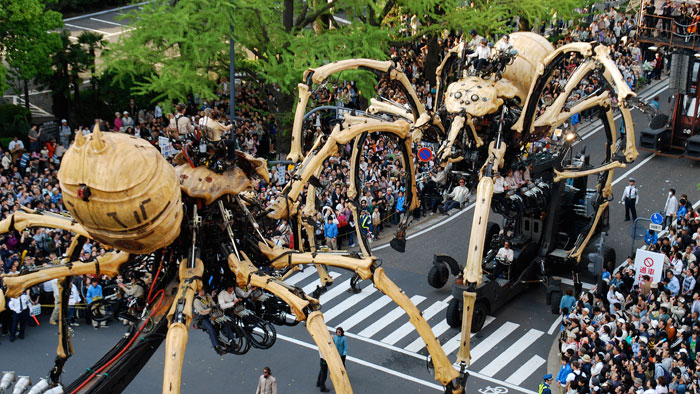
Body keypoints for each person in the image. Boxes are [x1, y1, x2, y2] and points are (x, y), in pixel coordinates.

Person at [193, 288, 225, 354]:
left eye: (202, 290)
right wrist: (210, 310)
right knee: (210, 328)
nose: (202, 291)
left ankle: (231, 339)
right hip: (202, 318)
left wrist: (215, 307)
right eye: (200, 291)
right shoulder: (196, 300)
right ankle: (216, 346)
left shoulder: (207, 296)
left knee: (223, 321)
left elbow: (212, 303)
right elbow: (201, 311)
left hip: (210, 314)